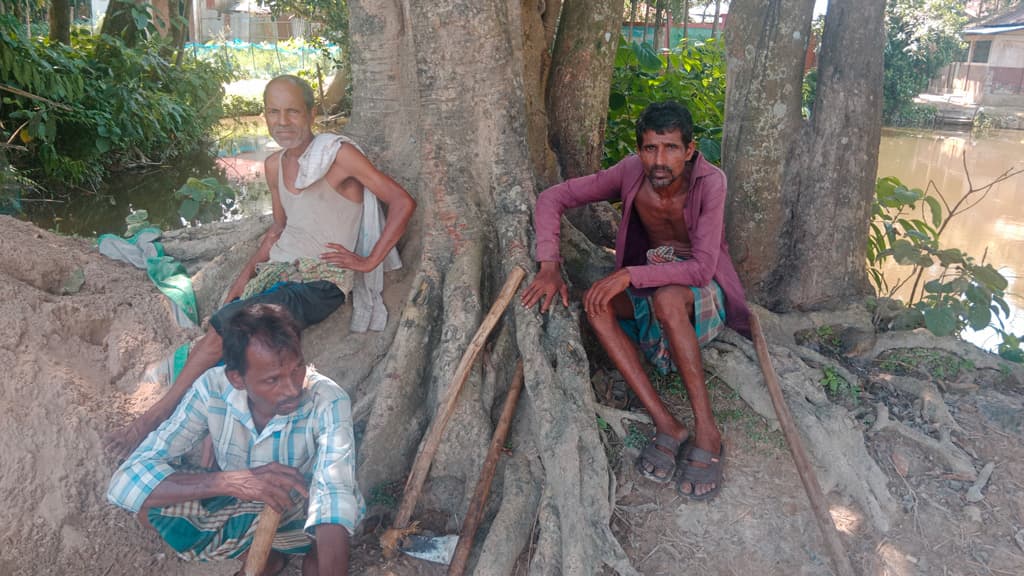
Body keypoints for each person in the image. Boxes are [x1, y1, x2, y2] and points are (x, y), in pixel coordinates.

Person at [105, 74, 416, 459]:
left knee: (230, 330)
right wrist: (245, 274)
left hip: (318, 282)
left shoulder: (338, 156)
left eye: (292, 111)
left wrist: (368, 261)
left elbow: (402, 202)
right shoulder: (273, 165)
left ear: (311, 113)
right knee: (225, 329)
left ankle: (151, 420)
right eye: (273, 112)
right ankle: (203, 436)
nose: (282, 121)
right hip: (279, 271)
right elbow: (280, 228)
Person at [521, 101, 751, 500]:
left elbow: (700, 269)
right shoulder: (630, 172)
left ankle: (707, 431)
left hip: (697, 294)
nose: (659, 160)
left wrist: (628, 274)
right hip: (650, 284)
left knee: (666, 299)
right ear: (639, 150)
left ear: (690, 149)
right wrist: (549, 265)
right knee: (598, 304)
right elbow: (552, 198)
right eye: (650, 148)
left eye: (670, 148)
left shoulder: (710, 181)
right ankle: (667, 424)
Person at [107, 303, 363, 576]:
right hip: (241, 506)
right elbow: (124, 482)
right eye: (273, 380)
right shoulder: (212, 388)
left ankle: (289, 552)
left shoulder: (328, 399)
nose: (291, 389)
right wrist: (230, 481)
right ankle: (261, 557)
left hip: (303, 514)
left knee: (320, 563)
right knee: (149, 507)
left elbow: (332, 496)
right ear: (237, 379)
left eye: (297, 369)